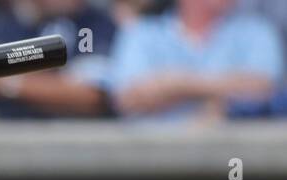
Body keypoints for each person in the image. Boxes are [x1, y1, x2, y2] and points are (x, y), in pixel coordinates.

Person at [111, 0, 283, 119]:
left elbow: (263, 87)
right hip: (150, 163)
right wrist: (221, 92)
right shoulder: (142, 32)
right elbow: (129, 99)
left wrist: (176, 84)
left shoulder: (256, 30)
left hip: (234, 160)